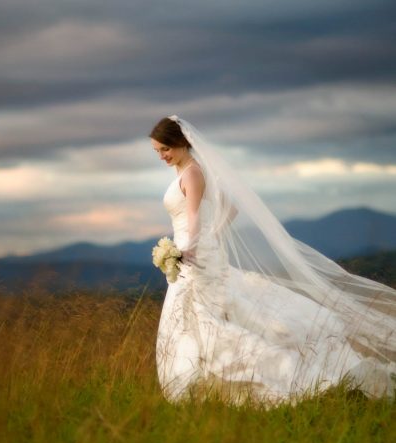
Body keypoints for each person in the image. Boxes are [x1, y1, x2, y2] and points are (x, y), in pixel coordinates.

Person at [149, 115, 396, 407]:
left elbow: (193, 216)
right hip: (194, 254)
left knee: (205, 319)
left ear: (180, 142)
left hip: (192, 257)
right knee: (201, 319)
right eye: (157, 151)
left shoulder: (191, 173)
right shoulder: (186, 171)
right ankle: (205, 386)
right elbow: (229, 208)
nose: (162, 156)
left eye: (165, 148)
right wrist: (209, 237)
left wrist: (190, 246)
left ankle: (260, 377)